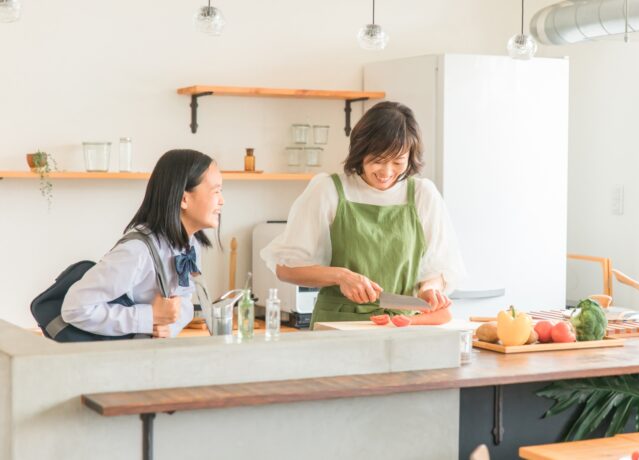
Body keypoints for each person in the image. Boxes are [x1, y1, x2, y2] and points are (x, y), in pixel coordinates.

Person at [261, 101, 464, 328]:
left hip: (402, 325)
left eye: (398, 162)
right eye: (378, 161)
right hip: (338, 325)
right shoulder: (328, 190)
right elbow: (286, 269)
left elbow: (438, 268)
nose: (387, 172)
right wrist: (341, 276)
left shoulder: (422, 195)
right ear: (361, 150)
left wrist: (430, 290)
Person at [62, 149, 224, 338]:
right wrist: (149, 317)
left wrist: (168, 327)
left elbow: (183, 302)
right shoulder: (136, 251)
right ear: (184, 199)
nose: (222, 200)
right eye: (216, 191)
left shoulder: (190, 243)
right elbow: (75, 308)